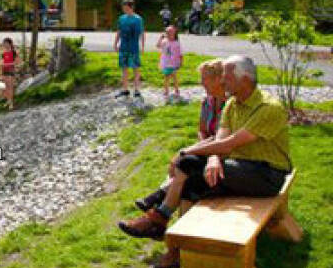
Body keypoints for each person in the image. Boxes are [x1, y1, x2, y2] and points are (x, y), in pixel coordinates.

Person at [118, 56, 291, 257]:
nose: (223, 81)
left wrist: (186, 151)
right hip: (241, 166)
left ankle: (161, 225)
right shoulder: (232, 104)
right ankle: (177, 247)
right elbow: (220, 139)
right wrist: (213, 159)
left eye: (226, 77)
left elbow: (229, 144)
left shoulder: (268, 108)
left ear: (244, 79)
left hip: (268, 175)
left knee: (187, 165)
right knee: (188, 179)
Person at [129, 59, 227, 268]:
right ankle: (168, 233)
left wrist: (188, 152)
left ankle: (161, 218)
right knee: (184, 170)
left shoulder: (231, 105)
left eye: (205, 79)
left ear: (220, 79)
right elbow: (204, 132)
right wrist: (194, 148)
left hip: (223, 156)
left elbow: (224, 140)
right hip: (207, 151)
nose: (201, 83)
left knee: (185, 171)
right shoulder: (208, 102)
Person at [113, 0, 145, 101]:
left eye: (126, 8)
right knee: (124, 69)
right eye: (123, 8)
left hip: (134, 48)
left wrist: (142, 46)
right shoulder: (121, 18)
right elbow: (119, 31)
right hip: (123, 47)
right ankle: (125, 89)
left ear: (131, 7)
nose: (124, 10)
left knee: (135, 68)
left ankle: (136, 90)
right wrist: (115, 43)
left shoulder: (138, 19)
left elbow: (142, 33)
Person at [157, 26, 184, 104]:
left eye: (171, 32)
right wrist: (160, 38)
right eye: (167, 32)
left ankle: (176, 89)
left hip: (174, 62)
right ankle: (166, 90)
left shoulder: (177, 43)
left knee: (174, 76)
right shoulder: (164, 41)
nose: (169, 34)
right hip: (166, 62)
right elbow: (158, 46)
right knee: (166, 76)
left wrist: (181, 61)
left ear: (175, 33)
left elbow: (180, 53)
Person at [1, 38, 17, 110]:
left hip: (11, 71)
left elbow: (17, 62)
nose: (4, 44)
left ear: (10, 44)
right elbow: (2, 62)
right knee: (6, 87)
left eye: (6, 43)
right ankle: (8, 101)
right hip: (4, 71)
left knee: (10, 87)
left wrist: (8, 64)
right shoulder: (3, 53)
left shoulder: (13, 52)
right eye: (4, 43)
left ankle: (11, 103)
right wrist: (2, 65)